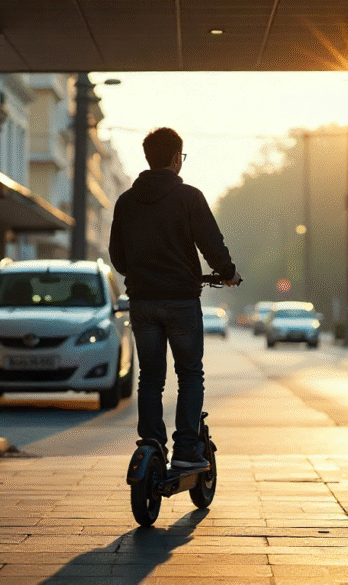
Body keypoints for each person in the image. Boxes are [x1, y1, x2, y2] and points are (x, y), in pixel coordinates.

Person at [109, 127, 242, 469]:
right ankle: (186, 448)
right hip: (181, 301)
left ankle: (151, 442)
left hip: (142, 302)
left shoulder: (125, 201)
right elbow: (211, 243)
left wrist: (140, 272)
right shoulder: (189, 198)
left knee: (150, 377)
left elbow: (118, 256)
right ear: (174, 159)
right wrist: (227, 272)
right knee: (189, 373)